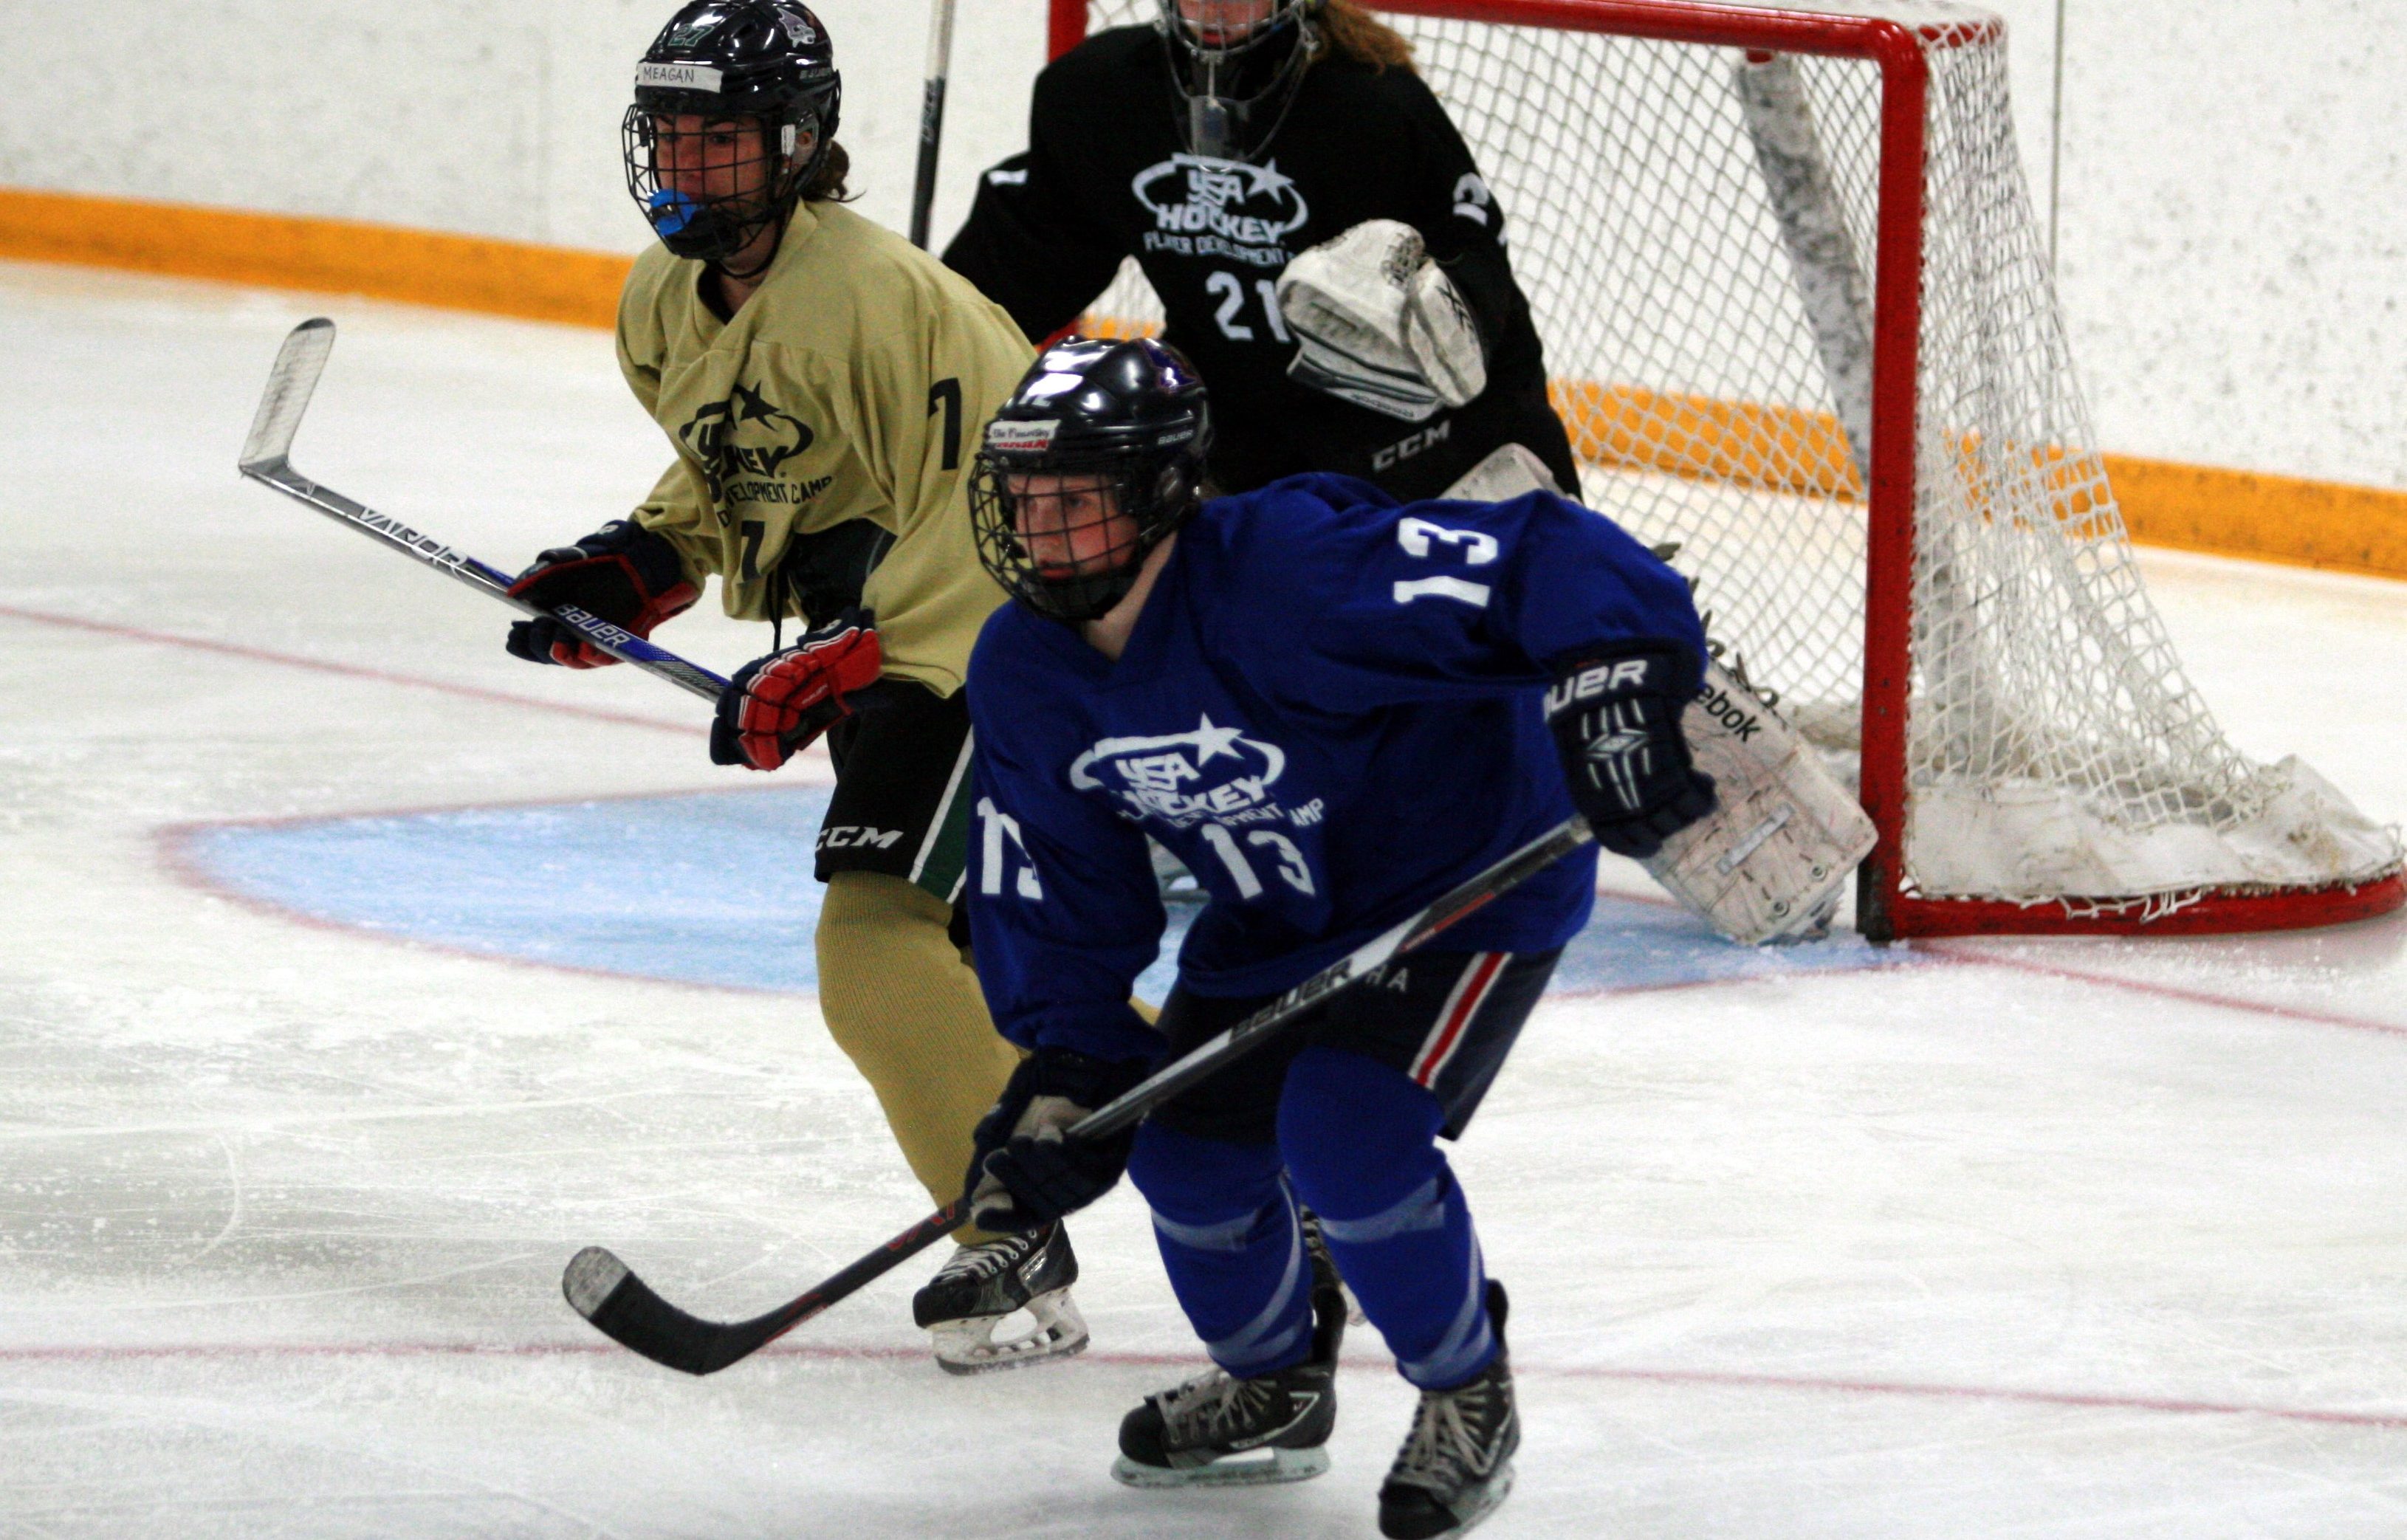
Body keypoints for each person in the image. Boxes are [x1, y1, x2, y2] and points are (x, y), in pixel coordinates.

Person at [951, 337, 1715, 1538]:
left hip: (1462, 886)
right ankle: (1273, 1385)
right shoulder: (1025, 669)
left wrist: (1614, 677)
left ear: (1161, 493)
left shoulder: (1288, 574)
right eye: (1026, 499)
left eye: (1078, 500)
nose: (1043, 530)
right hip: (1285, 916)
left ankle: (1466, 1392)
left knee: (1347, 1134)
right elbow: (1057, 888)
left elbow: (1542, 548)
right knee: (1182, 1161)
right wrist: (1066, 1071)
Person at [499, 0, 1083, 1374]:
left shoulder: (884, 300)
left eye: (724, 140)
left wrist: (870, 648)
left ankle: (1010, 1229)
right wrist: (646, 555)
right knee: (1001, 955)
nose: (690, 168)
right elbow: (745, 462)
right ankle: (1244, 1146)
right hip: (896, 628)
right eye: (673, 138)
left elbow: (1010, 502)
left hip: (1011, 634)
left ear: (800, 144)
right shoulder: (661, 295)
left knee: (876, 938)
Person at [943, 0, 1580, 503]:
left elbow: (1476, 277)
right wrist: (930, 336)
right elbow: (1032, 255)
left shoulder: (1374, 110)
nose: (1217, 10)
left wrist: (1439, 332)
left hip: (1417, 445)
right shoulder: (1104, 96)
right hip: (1240, 443)